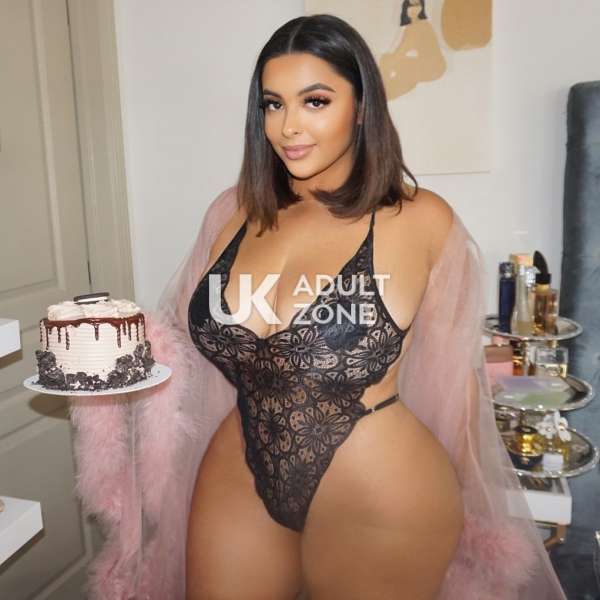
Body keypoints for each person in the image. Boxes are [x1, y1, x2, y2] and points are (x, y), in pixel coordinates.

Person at [69, 13, 567, 600]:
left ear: (361, 107)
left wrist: (474, 500)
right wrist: (104, 349)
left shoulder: (421, 219)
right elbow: (181, 345)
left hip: (380, 490)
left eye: (315, 101)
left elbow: (456, 379)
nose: (288, 127)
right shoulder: (232, 211)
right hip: (237, 473)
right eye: (272, 104)